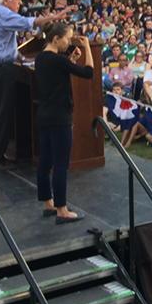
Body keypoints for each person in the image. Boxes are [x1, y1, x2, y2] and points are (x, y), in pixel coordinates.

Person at [0, 0, 70, 172]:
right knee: (1, 115)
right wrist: (55, 17)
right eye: (17, 0)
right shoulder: (2, 13)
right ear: (6, 0)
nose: (20, 3)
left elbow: (6, 44)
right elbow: (29, 22)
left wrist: (21, 58)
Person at [34, 22, 94, 223]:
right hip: (60, 116)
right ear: (56, 39)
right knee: (61, 163)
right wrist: (87, 47)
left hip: (44, 114)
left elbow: (56, 74)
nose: (69, 42)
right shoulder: (59, 60)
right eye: (67, 38)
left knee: (45, 161)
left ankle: (48, 203)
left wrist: (70, 60)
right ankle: (62, 209)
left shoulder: (41, 58)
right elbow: (88, 73)